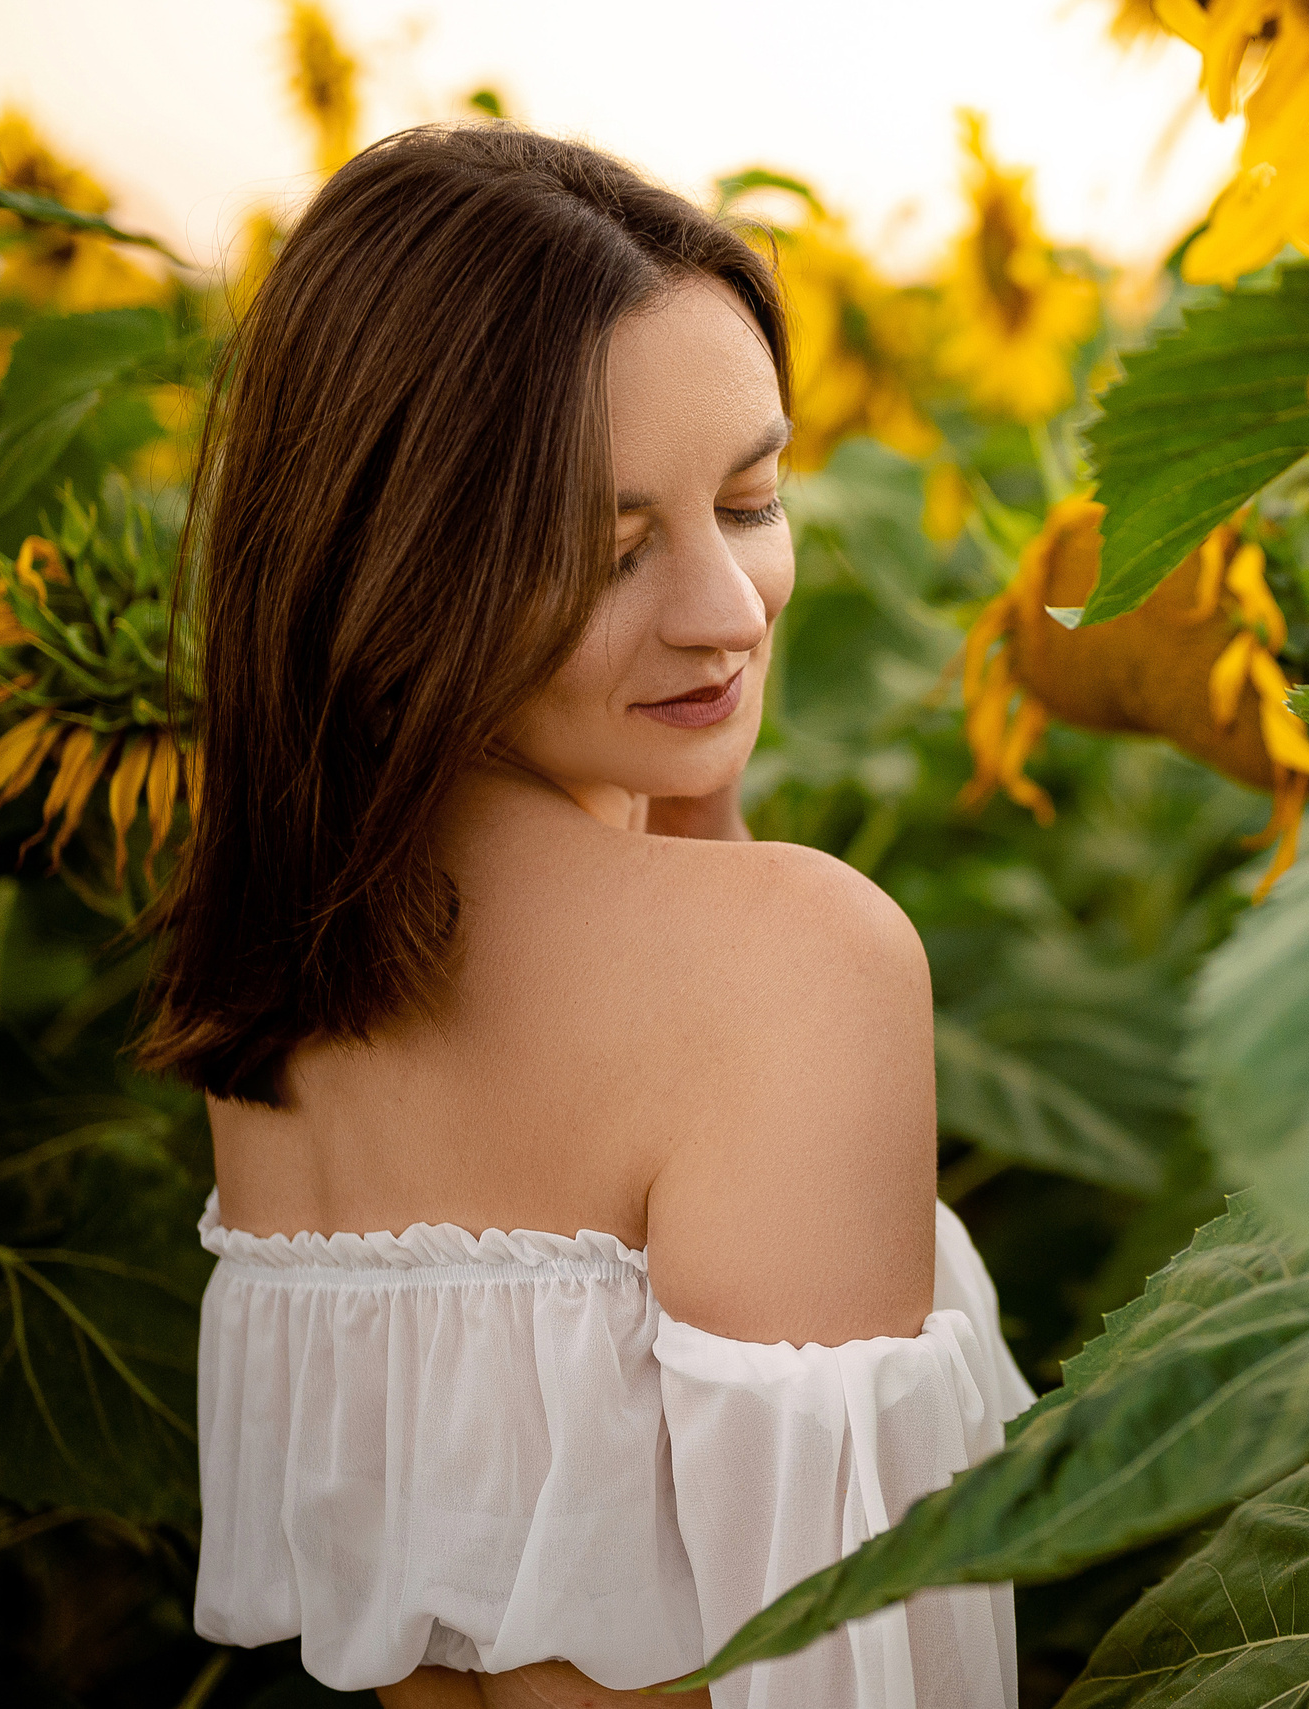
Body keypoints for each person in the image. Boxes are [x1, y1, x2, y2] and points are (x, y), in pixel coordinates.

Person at [138, 124, 1034, 1709]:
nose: (728, 607)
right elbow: (861, 1662)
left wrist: (691, 813)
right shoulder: (796, 967)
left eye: (751, 499)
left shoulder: (275, 972)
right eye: (608, 548)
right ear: (398, 563)